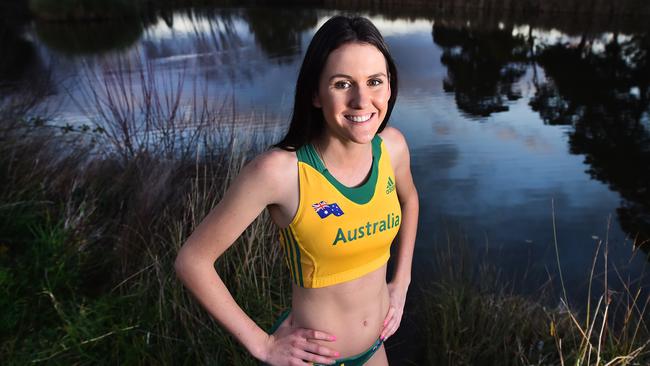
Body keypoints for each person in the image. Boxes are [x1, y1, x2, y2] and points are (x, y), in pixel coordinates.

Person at [174, 15, 418, 366]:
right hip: (312, 361)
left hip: (374, 352)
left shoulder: (392, 148)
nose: (362, 100)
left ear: (390, 85)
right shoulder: (279, 172)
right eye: (342, 84)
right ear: (315, 94)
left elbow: (409, 201)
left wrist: (402, 281)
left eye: (375, 81)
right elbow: (192, 261)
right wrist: (262, 344)